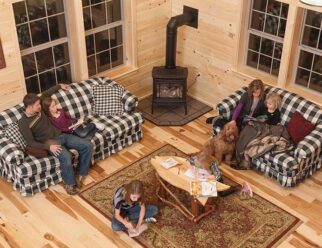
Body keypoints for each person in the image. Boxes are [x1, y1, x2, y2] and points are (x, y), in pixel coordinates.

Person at [18, 84, 93, 195]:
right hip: (49, 142)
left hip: (61, 135)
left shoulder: (39, 110)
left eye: (39, 104)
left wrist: (59, 86)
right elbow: (30, 142)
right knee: (66, 156)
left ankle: (81, 173)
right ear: (29, 107)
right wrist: (49, 147)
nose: (40, 106)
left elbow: (45, 94)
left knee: (88, 145)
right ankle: (69, 184)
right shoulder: (23, 123)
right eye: (37, 105)